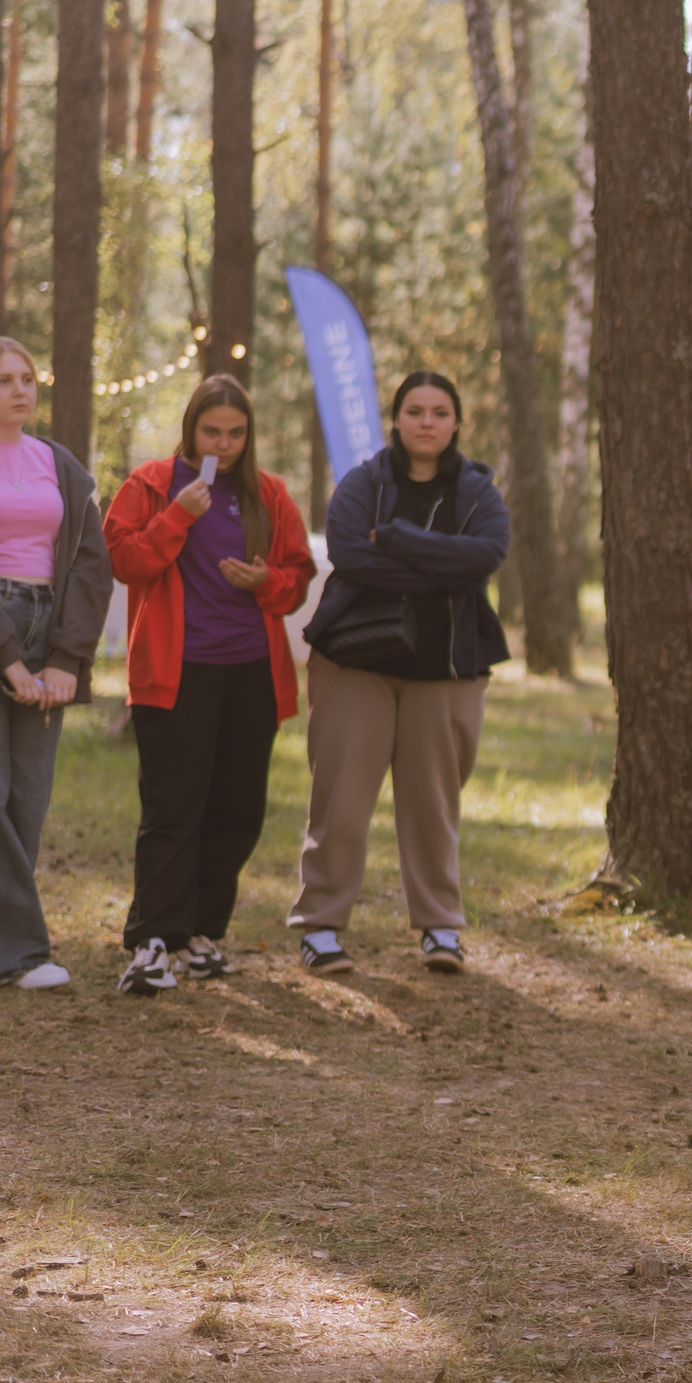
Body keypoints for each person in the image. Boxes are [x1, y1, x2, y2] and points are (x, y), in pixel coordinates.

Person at [290, 371, 511, 976]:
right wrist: (444, 570)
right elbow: (348, 551)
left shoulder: (477, 490)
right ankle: (322, 928)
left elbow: (487, 555)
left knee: (433, 802)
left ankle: (441, 928)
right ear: (397, 419)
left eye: (440, 412)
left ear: (457, 422)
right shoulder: (365, 482)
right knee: (340, 799)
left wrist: (396, 539)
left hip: (445, 668)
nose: (427, 422)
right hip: (356, 662)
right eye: (416, 410)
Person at [105, 376, 317, 995]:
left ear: (248, 436)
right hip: (174, 675)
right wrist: (179, 515)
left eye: (235, 433)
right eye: (211, 431)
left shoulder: (268, 495)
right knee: (174, 809)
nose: (223, 444)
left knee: (237, 810)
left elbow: (295, 578)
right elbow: (126, 561)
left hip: (251, 673)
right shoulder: (150, 485)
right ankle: (151, 944)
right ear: (190, 429)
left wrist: (263, 582)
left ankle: (201, 936)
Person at [0, 337, 111, 989]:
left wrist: (64, 659)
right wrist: (5, 658)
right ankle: (19, 953)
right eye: (4, 380)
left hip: (48, 629)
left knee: (26, 797)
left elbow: (90, 564)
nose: (22, 390)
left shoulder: (61, 464)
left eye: (28, 378)